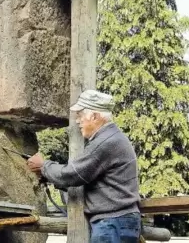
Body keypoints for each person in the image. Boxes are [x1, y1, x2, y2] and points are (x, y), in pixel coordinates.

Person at [27, 90, 141, 243]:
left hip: (112, 223)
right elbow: (84, 179)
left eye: (80, 115)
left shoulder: (105, 142)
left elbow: (72, 174)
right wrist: (49, 176)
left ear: (94, 116)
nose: (77, 121)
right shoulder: (113, 137)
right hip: (118, 222)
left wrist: (43, 166)